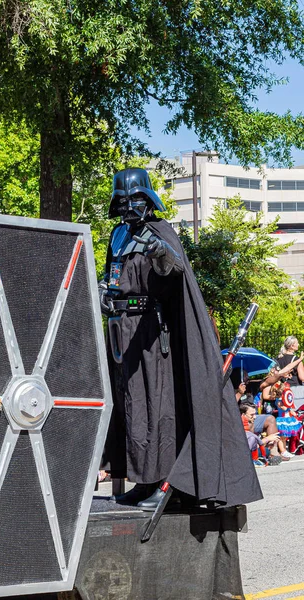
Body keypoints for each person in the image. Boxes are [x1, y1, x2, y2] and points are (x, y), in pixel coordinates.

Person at [100, 167, 262, 510]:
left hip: (152, 332)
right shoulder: (117, 235)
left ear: (148, 199)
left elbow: (175, 269)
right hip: (121, 331)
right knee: (132, 408)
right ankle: (143, 480)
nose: (130, 206)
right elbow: (111, 274)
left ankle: (166, 481)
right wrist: (103, 291)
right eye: (124, 200)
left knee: (158, 407)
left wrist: (160, 252)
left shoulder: (160, 231)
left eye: (136, 199)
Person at [277, 337, 304, 405]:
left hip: (281, 389)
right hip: (295, 389)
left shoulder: (278, 358)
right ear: (292, 346)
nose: (298, 345)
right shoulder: (297, 360)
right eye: (297, 343)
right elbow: (302, 377)